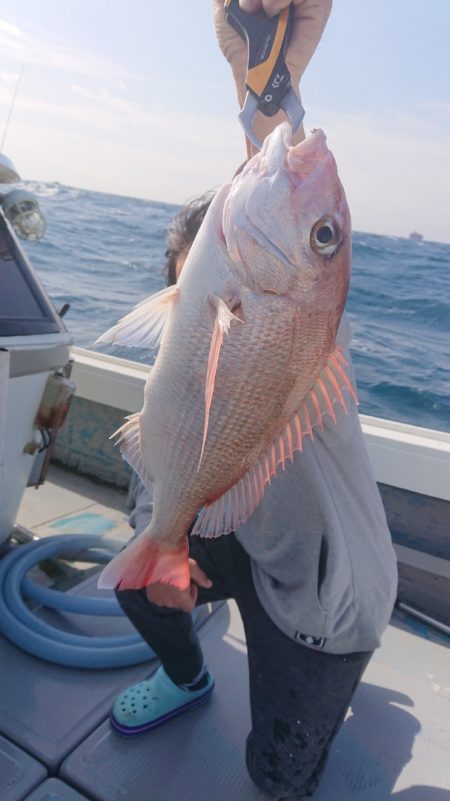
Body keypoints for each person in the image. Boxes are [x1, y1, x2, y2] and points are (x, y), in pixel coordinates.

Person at [112, 2, 398, 799]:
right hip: (237, 529)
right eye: (184, 274)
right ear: (183, 284)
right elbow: (259, 216)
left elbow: (269, 193)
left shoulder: (302, 341)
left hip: (324, 598)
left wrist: (270, 75)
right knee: (137, 567)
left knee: (274, 777)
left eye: (323, 241)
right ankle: (185, 674)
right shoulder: (188, 345)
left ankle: (316, 697)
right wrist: (165, 549)